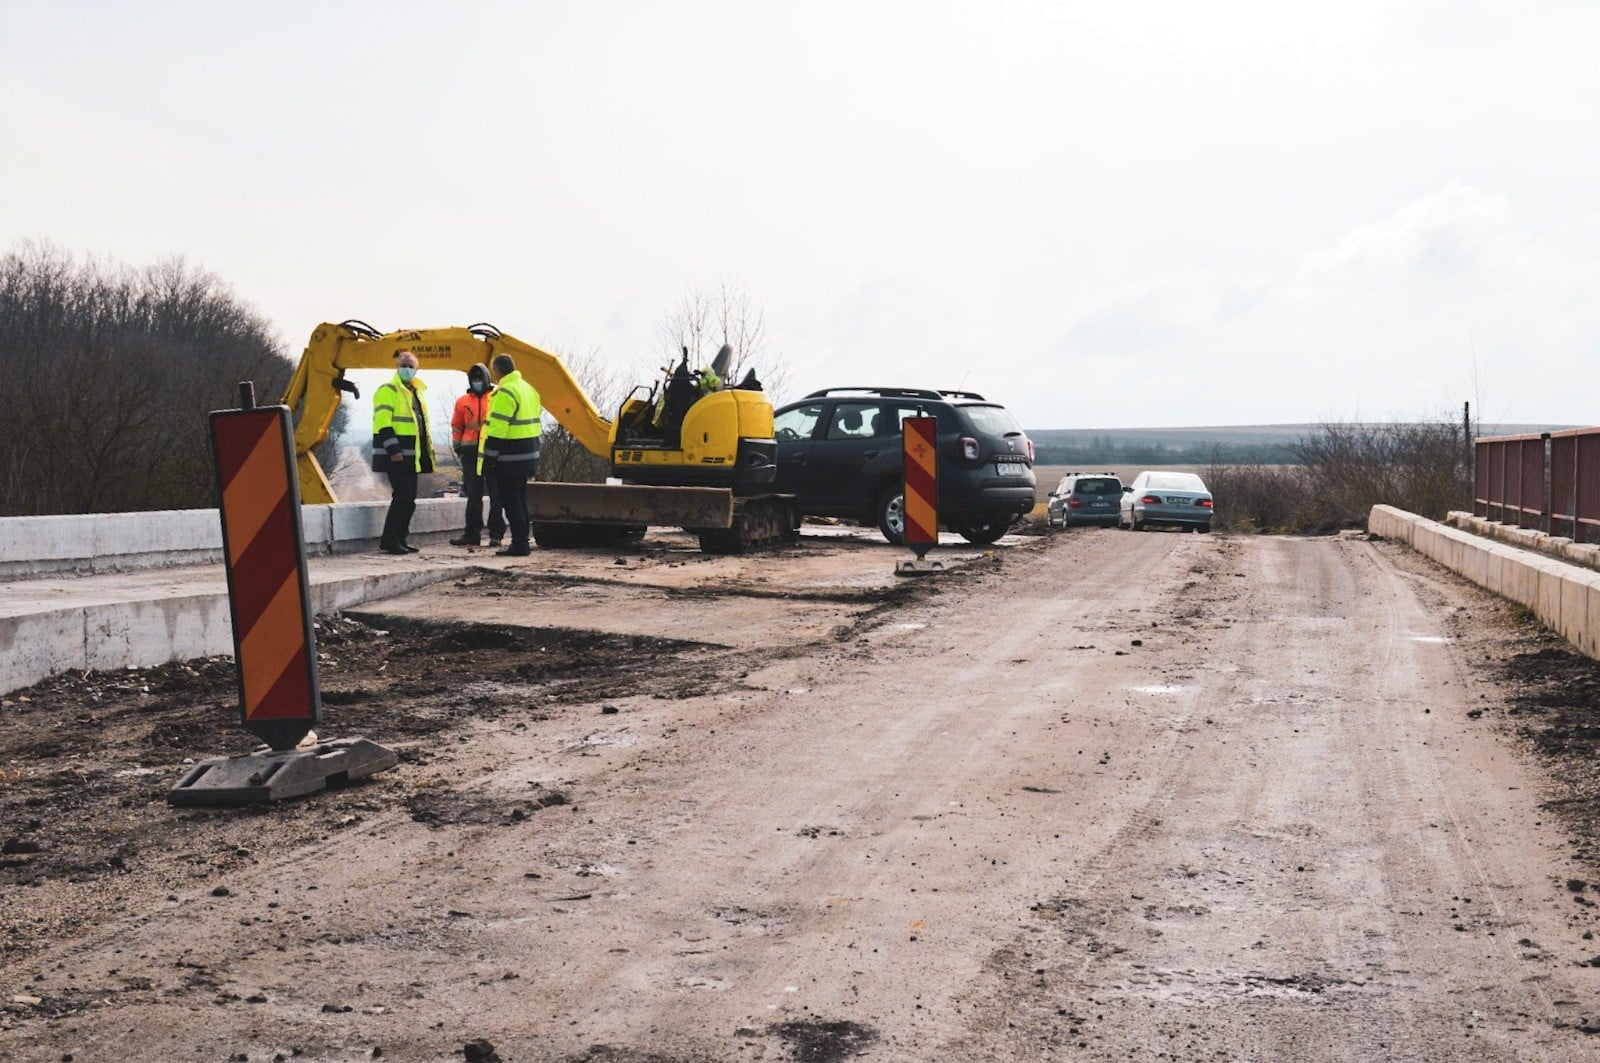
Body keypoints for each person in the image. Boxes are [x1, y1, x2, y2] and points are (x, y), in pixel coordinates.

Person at [371, 350, 434, 555]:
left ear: (417, 369)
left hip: (411, 455)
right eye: (403, 365)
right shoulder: (388, 390)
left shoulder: (416, 392)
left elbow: (420, 426)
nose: (407, 369)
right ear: (397, 367)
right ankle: (390, 541)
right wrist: (393, 448)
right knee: (402, 497)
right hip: (397, 454)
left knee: (409, 500)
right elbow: (383, 422)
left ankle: (400, 538)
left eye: (411, 366)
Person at [479, 353, 541, 557]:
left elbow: (497, 430)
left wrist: (489, 459)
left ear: (497, 371)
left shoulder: (504, 392)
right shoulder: (528, 389)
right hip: (527, 456)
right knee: (521, 501)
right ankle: (523, 541)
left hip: (509, 458)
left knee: (511, 502)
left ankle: (519, 544)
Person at [448, 364, 506, 547]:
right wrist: (459, 448)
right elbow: (457, 426)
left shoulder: (496, 398)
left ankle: (496, 535)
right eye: (474, 379)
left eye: (480, 378)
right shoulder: (462, 401)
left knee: (496, 496)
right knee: (473, 495)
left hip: (492, 453)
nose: (477, 382)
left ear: (488, 378)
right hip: (471, 454)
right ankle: (471, 534)